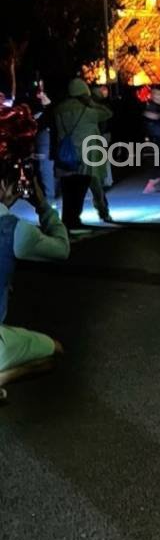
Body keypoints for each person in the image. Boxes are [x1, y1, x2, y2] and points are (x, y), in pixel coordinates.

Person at [0, 166, 69, 393]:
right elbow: (62, 249)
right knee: (54, 352)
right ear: (4, 186)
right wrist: (42, 206)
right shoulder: (14, 230)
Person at [51, 77, 112, 230]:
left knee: (68, 189)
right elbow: (107, 113)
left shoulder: (59, 109)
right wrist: (92, 101)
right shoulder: (88, 110)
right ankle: (78, 219)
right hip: (85, 155)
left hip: (65, 154)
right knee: (82, 188)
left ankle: (67, 220)